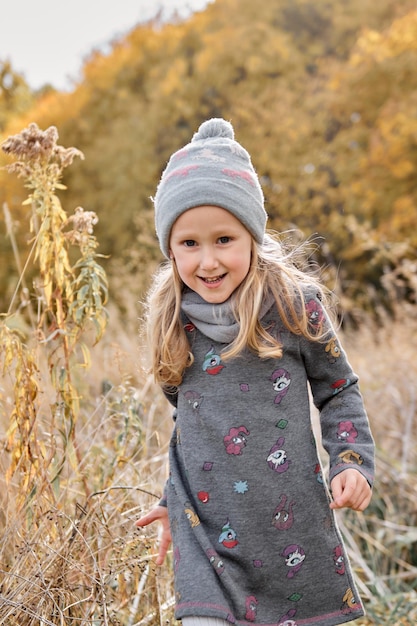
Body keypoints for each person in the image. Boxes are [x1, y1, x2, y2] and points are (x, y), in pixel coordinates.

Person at [136, 118, 375, 626]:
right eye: (189, 243)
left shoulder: (293, 307)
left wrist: (351, 460)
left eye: (224, 238)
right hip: (205, 533)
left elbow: (339, 390)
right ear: (170, 247)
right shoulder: (171, 321)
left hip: (289, 527)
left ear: (251, 236)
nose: (207, 261)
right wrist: (170, 501)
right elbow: (191, 429)